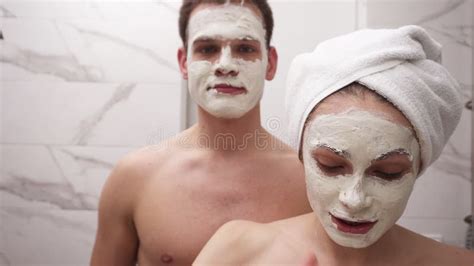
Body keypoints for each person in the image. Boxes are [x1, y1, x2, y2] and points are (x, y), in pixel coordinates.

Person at [193, 25, 474, 265]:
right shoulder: (236, 253)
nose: (354, 200)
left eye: (388, 172)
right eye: (330, 165)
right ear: (301, 154)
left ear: (419, 166)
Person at [90, 0, 311, 265]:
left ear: (270, 63)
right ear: (184, 63)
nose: (225, 65)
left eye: (244, 48)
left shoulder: (311, 182)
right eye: (207, 49)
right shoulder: (134, 178)